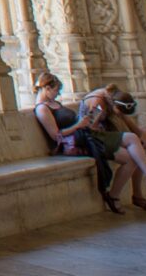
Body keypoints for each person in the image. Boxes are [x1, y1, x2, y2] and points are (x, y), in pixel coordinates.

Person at [32, 74, 120, 212]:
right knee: (122, 144)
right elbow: (56, 136)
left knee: (120, 140)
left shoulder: (54, 104)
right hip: (74, 142)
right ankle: (110, 193)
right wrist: (78, 125)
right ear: (47, 88)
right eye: (56, 90)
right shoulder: (42, 108)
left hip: (82, 134)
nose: (58, 93)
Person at [81, 84, 146, 208]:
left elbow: (137, 130)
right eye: (119, 112)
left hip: (106, 135)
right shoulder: (97, 101)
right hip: (93, 137)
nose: (119, 115)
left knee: (139, 145)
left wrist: (142, 139)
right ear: (115, 105)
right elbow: (89, 127)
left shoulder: (114, 98)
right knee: (134, 144)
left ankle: (121, 195)